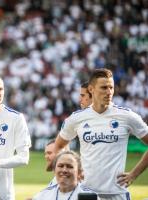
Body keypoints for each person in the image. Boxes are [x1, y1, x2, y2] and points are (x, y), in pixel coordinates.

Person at [54, 68, 148, 200]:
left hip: (117, 194)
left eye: (111, 87)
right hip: (86, 193)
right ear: (91, 89)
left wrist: (134, 174)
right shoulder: (77, 118)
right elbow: (58, 146)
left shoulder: (127, 116)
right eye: (104, 87)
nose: (109, 92)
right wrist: (72, 168)